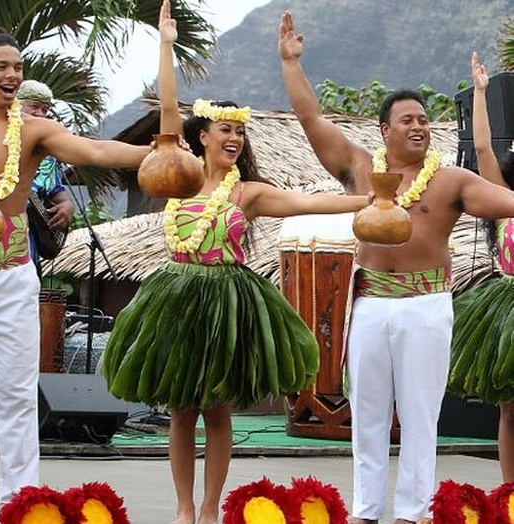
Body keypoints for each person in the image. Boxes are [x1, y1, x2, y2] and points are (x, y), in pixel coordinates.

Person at [103, 3, 371, 524]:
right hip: (177, 298)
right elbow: (168, 110)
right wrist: (164, 44)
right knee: (181, 410)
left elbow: (311, 203)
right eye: (224, 130)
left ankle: (209, 509)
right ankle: (183, 509)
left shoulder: (247, 193)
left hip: (228, 301)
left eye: (239, 133)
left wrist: (373, 202)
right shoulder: (175, 175)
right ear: (200, 136)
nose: (233, 139)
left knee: (217, 409)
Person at [0, 0, 151, 522]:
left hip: (14, 271)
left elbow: (95, 151)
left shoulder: (33, 130)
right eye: (3, 67)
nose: (13, 75)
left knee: (16, 394)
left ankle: (20, 505)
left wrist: (155, 153)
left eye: (19, 67)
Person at [279, 11, 514, 524]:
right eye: (408, 120)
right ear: (385, 129)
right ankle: (365, 512)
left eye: (424, 120)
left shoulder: (450, 181)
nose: (419, 127)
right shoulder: (362, 168)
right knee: (366, 416)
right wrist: (292, 63)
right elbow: (312, 121)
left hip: (427, 307)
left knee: (420, 417)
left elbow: (509, 202)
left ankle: (412, 513)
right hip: (370, 306)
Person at [448, 51, 514, 483]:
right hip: (509, 308)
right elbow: (485, 147)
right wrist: (481, 92)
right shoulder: (502, 197)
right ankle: (510, 490)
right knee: (511, 407)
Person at [15, 79, 75, 271]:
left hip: (31, 238)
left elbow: (59, 194)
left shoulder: (46, 157)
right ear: (16, 105)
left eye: (45, 109)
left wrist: (67, 206)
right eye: (35, 107)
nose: (40, 114)